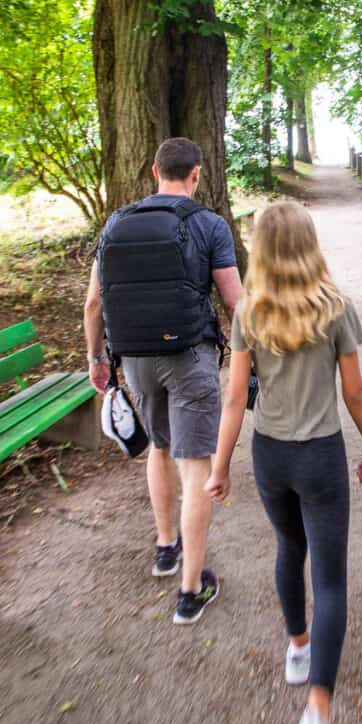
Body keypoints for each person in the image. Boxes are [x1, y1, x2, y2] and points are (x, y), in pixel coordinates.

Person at [205, 201, 362, 724]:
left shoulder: (248, 314)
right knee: (330, 580)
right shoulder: (334, 308)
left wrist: (219, 465)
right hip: (322, 457)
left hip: (271, 456)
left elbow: (235, 398)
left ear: (259, 248)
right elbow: (354, 393)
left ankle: (298, 647)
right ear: (310, 245)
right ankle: (317, 716)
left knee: (289, 547)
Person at [84, 137, 242, 623]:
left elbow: (93, 303)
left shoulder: (115, 223)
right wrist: (251, 358)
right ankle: (190, 592)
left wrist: (96, 359)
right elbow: (236, 302)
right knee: (197, 466)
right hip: (190, 356)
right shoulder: (209, 224)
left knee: (159, 446)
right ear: (196, 174)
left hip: (134, 358)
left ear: (155, 172)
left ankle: (165, 547)